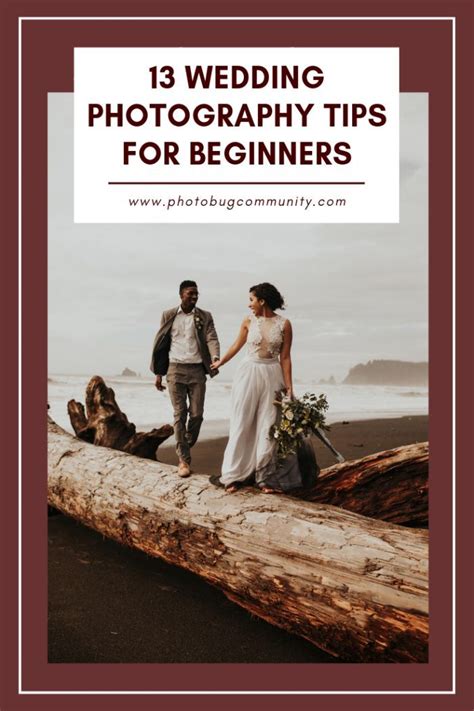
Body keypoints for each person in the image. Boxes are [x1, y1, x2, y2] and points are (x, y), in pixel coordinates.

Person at [211, 282, 307, 494]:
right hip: (249, 373)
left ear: (262, 301)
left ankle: (265, 478)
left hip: (273, 375)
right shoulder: (249, 320)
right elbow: (237, 345)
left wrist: (289, 388)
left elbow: (286, 357)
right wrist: (221, 362)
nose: (249, 304)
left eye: (251, 300)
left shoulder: (285, 324)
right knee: (242, 421)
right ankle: (233, 475)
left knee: (269, 425)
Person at [150, 280, 220, 477]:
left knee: (196, 415)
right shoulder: (168, 315)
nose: (195, 297)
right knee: (179, 414)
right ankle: (183, 460)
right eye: (191, 293)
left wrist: (215, 356)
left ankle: (184, 443)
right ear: (181, 294)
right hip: (175, 369)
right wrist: (159, 373)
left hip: (197, 370)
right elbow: (161, 344)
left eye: (197, 293)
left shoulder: (205, 316)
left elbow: (211, 337)